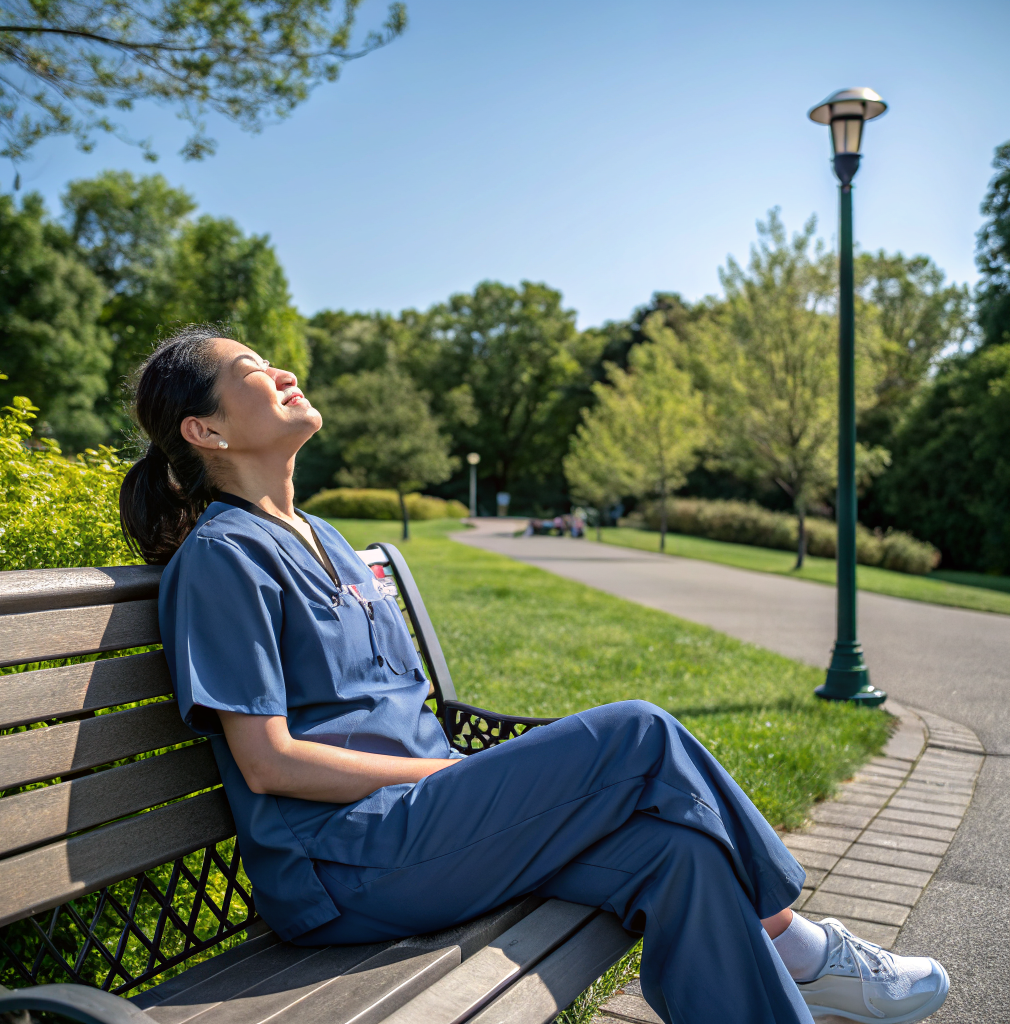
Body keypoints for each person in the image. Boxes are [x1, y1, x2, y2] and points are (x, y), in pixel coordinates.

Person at [120, 326, 950, 1024]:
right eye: (251, 373)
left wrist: (456, 782)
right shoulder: (223, 558)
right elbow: (270, 762)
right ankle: (795, 941)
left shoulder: (326, 538)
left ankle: (788, 980)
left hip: (432, 825)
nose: (283, 372)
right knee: (639, 732)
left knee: (676, 853)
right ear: (207, 433)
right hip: (348, 863)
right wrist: (452, 775)